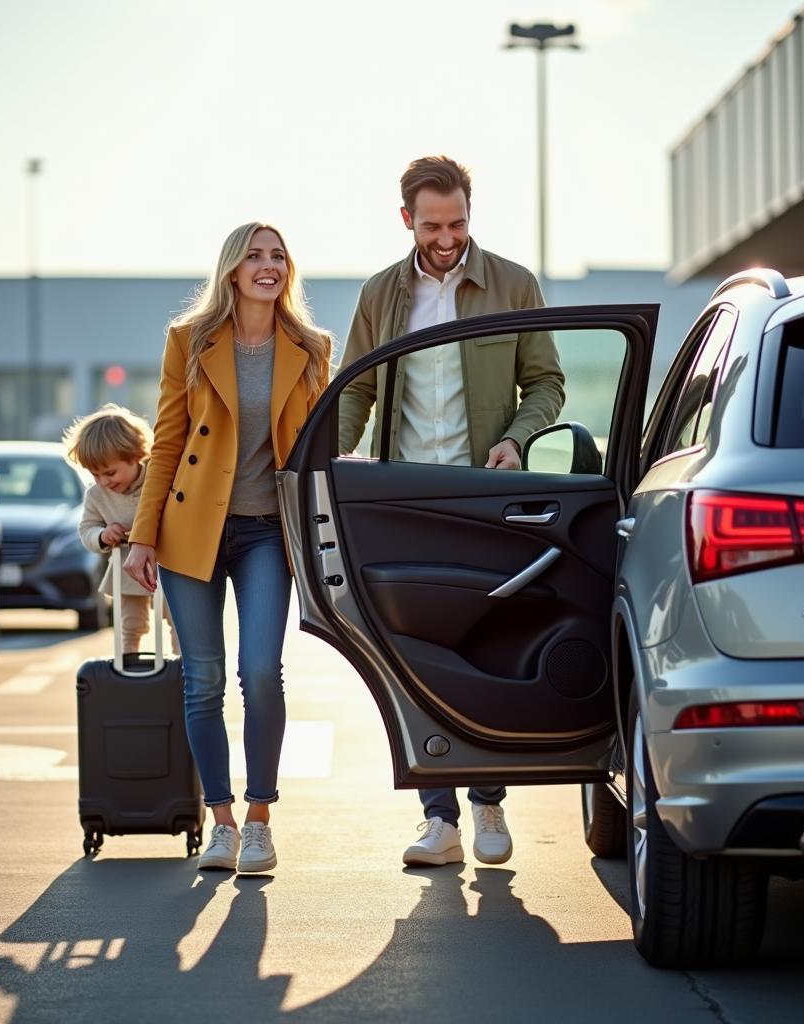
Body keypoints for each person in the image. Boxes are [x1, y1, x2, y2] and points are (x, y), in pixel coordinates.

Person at [338, 155, 565, 868]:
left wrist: (514, 438)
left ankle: (490, 801)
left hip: (483, 496)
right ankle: (438, 818)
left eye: (458, 222)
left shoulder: (514, 283)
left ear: (471, 212)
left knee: (486, 646)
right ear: (406, 218)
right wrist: (331, 458)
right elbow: (356, 391)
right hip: (403, 497)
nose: (447, 237)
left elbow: (547, 384)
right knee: (414, 656)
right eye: (432, 224)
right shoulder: (382, 294)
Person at [124, 222, 332, 874]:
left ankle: (261, 819)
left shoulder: (310, 346)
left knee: (261, 673)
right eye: (254, 256)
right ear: (232, 271)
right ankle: (220, 822)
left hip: (268, 530)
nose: (267, 266)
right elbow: (165, 441)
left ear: (286, 271)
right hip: (193, 531)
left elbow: (320, 447)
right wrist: (142, 536)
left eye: (277, 256)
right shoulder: (189, 341)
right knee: (203, 679)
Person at [64, 404, 180, 656]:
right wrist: (103, 536)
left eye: (110, 472)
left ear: (136, 454)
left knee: (179, 619)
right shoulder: (97, 495)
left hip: (167, 565)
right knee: (130, 622)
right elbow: (87, 529)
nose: (103, 481)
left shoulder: (157, 478)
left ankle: (184, 667)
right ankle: (128, 661)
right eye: (94, 475)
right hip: (126, 567)